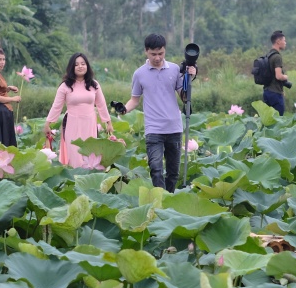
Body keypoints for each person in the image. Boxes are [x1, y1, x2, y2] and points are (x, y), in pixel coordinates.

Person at [118, 33, 197, 192]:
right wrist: (125, 109)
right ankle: (159, 199)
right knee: (156, 168)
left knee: (173, 172)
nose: (157, 57)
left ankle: (168, 199)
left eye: (160, 53)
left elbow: (183, 97)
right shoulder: (139, 74)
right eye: (153, 54)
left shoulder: (175, 69)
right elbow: (134, 99)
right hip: (154, 129)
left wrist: (190, 78)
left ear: (164, 51)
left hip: (174, 127)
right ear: (146, 51)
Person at [43, 53, 114, 166]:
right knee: (74, 154)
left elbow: (101, 105)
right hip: (72, 123)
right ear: (72, 67)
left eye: (83, 64)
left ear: (87, 66)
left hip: (90, 123)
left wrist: (108, 123)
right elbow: (56, 106)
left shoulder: (94, 85)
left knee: (90, 155)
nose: (80, 66)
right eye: (76, 65)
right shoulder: (65, 86)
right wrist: (48, 124)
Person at [262, 30, 291, 115]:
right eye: (284, 40)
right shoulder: (277, 57)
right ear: (278, 41)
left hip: (267, 92)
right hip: (275, 94)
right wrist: (286, 77)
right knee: (278, 121)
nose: (285, 43)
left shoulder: (268, 55)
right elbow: (278, 76)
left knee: (268, 121)